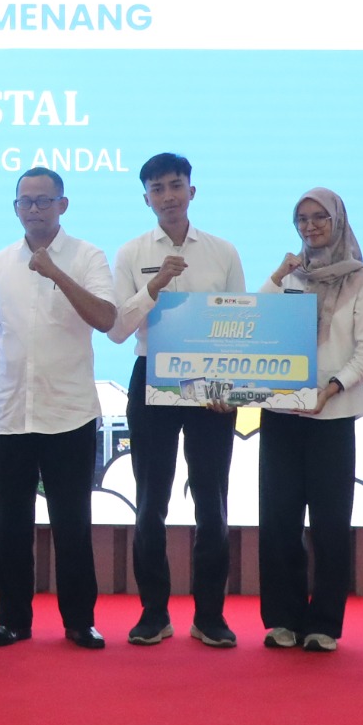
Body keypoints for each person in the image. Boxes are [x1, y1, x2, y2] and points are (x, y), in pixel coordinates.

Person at [0, 166, 118, 650]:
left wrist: (56, 272)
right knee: (11, 528)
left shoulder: (88, 256)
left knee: (72, 525)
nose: (33, 209)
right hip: (12, 414)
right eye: (25, 201)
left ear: (63, 205)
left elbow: (106, 318)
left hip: (69, 414)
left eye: (43, 200)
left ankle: (79, 621)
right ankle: (12, 620)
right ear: (15, 208)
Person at [106, 152, 245, 648]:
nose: (168, 196)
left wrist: (228, 388)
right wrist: (155, 285)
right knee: (150, 502)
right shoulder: (130, 253)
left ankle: (210, 616)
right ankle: (153, 613)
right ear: (146, 198)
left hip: (212, 383)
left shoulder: (223, 252)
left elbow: (239, 324)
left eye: (175, 185)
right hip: (153, 377)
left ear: (192, 191)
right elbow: (118, 329)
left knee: (212, 501)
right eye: (157, 188)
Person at [256, 189, 363, 652]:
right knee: (278, 519)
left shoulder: (362, 279)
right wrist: (277, 275)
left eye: (319, 217)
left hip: (334, 414)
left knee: (330, 522)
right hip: (281, 414)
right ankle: (282, 619)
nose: (310, 226)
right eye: (302, 219)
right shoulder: (289, 275)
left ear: (338, 221)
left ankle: (324, 622)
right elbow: (257, 325)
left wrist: (330, 389)